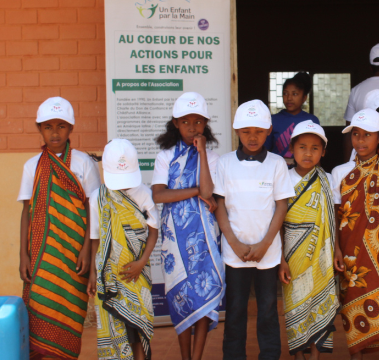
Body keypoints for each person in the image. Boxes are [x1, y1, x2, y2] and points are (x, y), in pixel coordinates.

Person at [17, 96, 101, 360]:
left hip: (75, 256)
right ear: (39, 129)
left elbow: (93, 209)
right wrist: (23, 255)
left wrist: (87, 250)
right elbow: (26, 211)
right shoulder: (32, 166)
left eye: (61, 126)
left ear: (71, 129)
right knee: (39, 314)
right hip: (42, 257)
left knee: (69, 318)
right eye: (48, 126)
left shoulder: (83, 163)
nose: (55, 132)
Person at [215, 99, 295, 360]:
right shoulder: (225, 164)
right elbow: (220, 207)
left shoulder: (276, 164)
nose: (252, 137)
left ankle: (270, 355)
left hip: (267, 254)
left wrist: (265, 245)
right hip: (234, 253)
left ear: (269, 130)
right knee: (236, 310)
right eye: (246, 131)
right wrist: (234, 244)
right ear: (237, 130)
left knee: (268, 310)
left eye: (259, 131)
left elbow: (281, 208)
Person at [152, 92, 225, 360]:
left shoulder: (213, 157)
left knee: (204, 295)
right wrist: (195, 192)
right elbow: (159, 195)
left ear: (205, 124)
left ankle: (196, 357)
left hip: (204, 235)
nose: (192, 127)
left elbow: (208, 192)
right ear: (175, 123)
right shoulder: (166, 156)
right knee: (180, 293)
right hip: (174, 237)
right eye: (186, 121)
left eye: (198, 121)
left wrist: (202, 152)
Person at [332, 109, 379, 359]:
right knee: (352, 300)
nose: (361, 140)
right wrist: (336, 249)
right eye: (356, 134)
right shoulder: (339, 173)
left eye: (367, 135)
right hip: (350, 252)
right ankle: (356, 354)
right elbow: (335, 215)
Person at [87, 139, 159, 360]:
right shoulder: (97, 198)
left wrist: (141, 262)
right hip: (108, 276)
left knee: (139, 331)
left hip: (138, 276)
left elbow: (154, 231)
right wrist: (92, 272)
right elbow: (95, 238)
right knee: (116, 329)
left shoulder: (144, 194)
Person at [278, 121, 339, 359]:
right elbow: (278, 222)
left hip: (321, 254)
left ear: (323, 151)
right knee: (296, 304)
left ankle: (314, 355)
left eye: (315, 148)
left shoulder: (328, 179)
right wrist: (280, 258)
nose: (308, 153)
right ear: (292, 148)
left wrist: (337, 251)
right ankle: (299, 355)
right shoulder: (284, 178)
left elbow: (332, 218)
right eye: (302, 146)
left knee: (318, 305)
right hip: (293, 255)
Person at [265, 72, 321, 164]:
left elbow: (316, 151)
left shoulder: (311, 121)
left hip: (305, 170)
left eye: (295, 94)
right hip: (277, 170)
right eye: (285, 93)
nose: (289, 98)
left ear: (304, 98)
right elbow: (265, 151)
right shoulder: (273, 120)